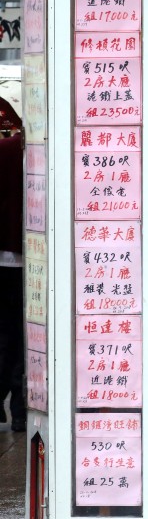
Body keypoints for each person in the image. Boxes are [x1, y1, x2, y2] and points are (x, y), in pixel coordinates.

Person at [0, 96, 24, 432]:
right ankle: (18, 406)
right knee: (19, 335)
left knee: (8, 333)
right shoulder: (20, 152)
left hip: (8, 256)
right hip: (25, 258)